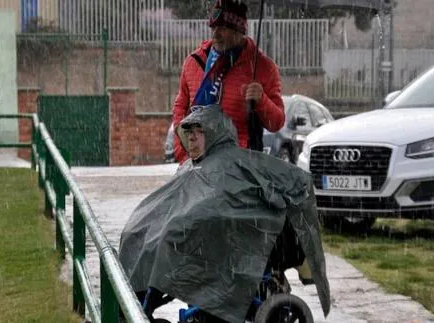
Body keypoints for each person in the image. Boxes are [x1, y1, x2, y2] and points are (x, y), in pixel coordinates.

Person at [119, 105, 330, 323]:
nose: (191, 138)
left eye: (197, 132)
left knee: (168, 240)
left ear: (213, 133)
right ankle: (129, 304)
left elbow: (295, 179)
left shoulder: (238, 162)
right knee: (135, 234)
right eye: (188, 132)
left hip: (220, 237)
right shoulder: (191, 167)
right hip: (192, 232)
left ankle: (137, 306)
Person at [172, 0, 286, 164]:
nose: (215, 34)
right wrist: (182, 153)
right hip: (197, 164)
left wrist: (261, 100)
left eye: (222, 28)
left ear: (238, 31)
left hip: (238, 168)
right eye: (214, 27)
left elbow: (276, 122)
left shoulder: (262, 68)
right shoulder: (194, 62)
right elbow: (180, 109)